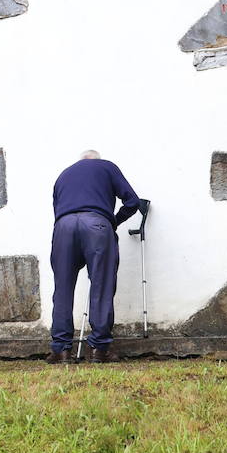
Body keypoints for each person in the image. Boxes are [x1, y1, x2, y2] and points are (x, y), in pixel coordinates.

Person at [49, 149, 145, 364]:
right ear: (96, 159)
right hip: (97, 225)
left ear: (81, 160)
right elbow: (132, 202)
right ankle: (98, 349)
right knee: (101, 286)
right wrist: (113, 222)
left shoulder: (63, 174)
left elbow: (57, 209)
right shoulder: (106, 166)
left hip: (63, 227)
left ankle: (61, 350)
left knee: (62, 288)